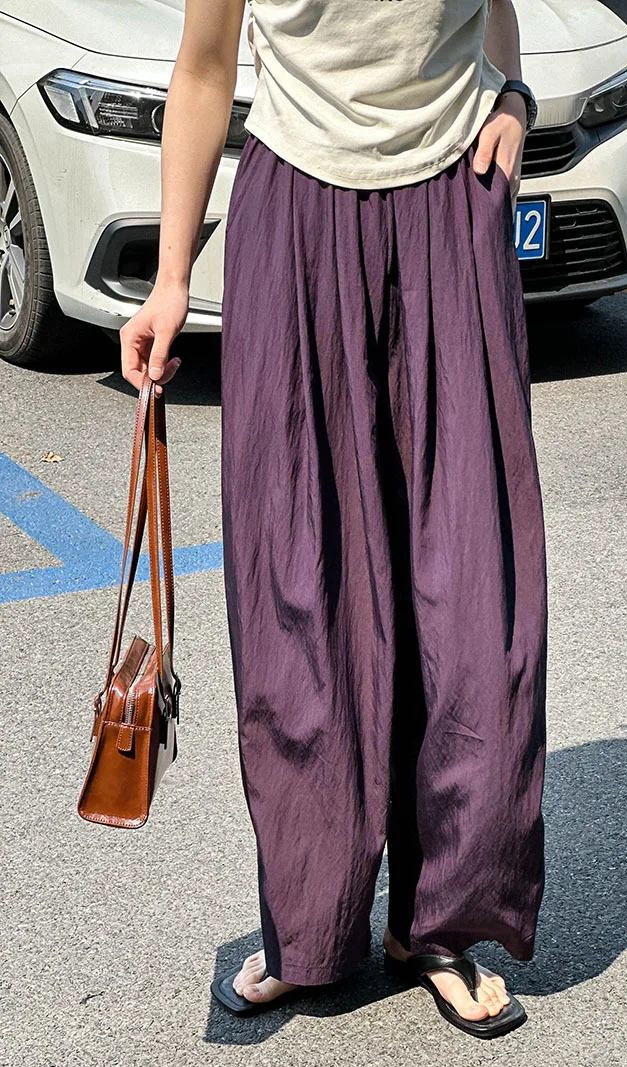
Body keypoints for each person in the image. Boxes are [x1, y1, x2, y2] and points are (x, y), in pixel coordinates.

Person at [121, 0, 547, 1040]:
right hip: (297, 219)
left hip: (448, 212)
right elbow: (205, 68)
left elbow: (498, 12)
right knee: (302, 592)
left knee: (472, 592)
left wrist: (516, 102)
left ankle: (438, 922)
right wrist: (171, 280)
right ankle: (312, 923)